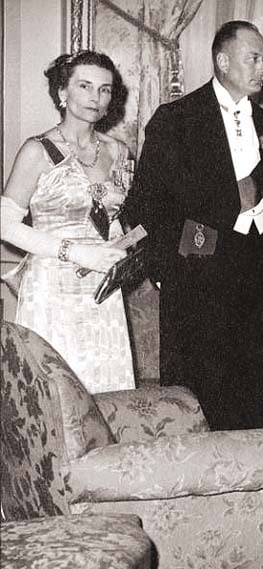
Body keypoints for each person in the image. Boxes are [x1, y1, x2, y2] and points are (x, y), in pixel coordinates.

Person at [122, 21, 263, 430]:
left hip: (259, 279)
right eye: (254, 58)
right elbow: (145, 204)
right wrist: (170, 269)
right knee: (195, 399)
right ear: (223, 60)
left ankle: (247, 486)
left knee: (250, 390)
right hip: (197, 277)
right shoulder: (177, 119)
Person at [1, 50, 136, 394]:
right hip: (52, 289)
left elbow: (117, 218)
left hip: (102, 288)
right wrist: (75, 252)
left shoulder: (118, 151)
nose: (96, 97)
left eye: (105, 89)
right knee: (58, 397)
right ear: (63, 93)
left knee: (106, 393)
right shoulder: (38, 150)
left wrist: (121, 245)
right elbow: (4, 224)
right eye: (85, 86)